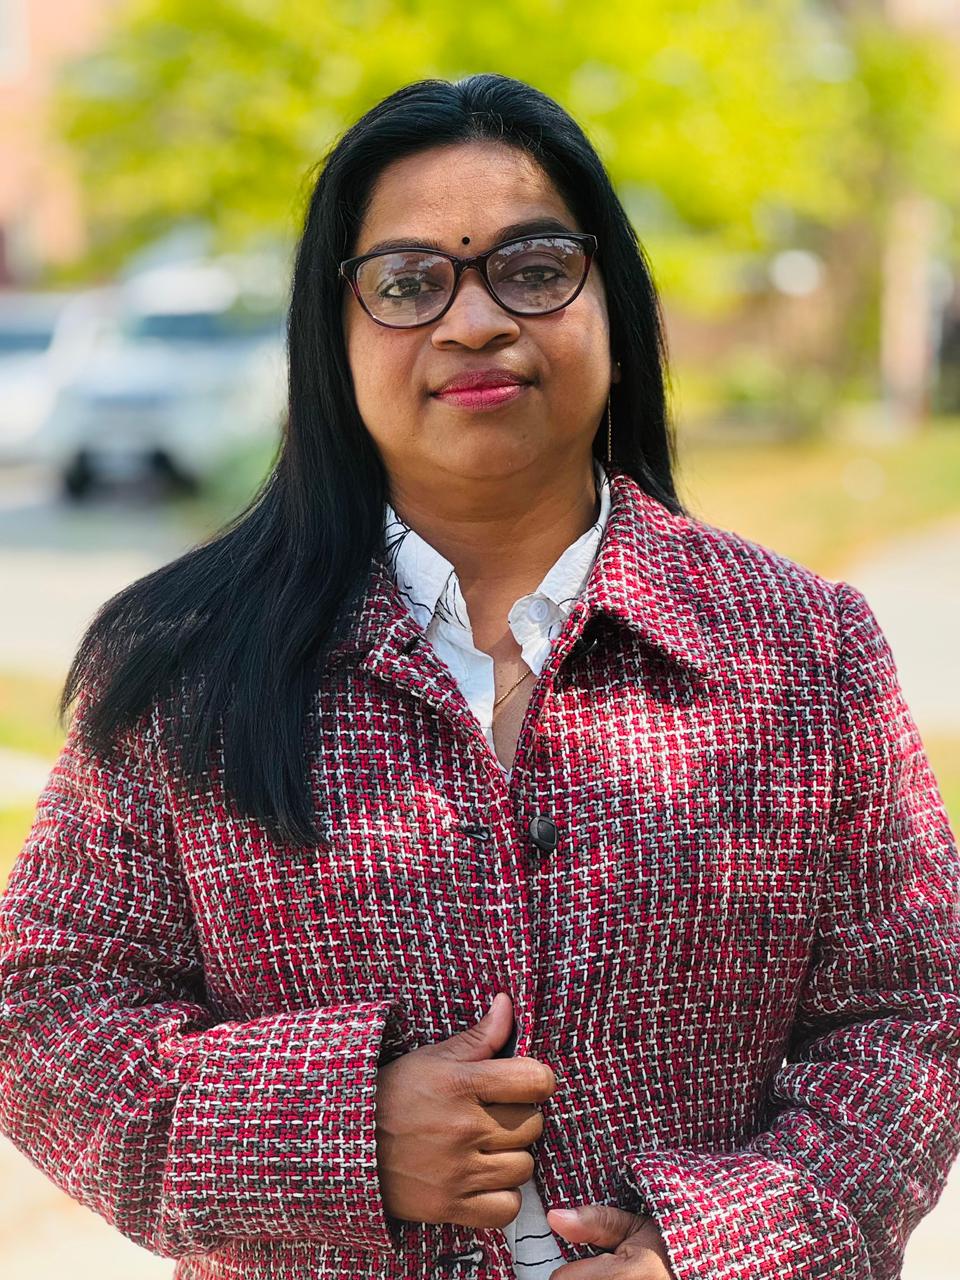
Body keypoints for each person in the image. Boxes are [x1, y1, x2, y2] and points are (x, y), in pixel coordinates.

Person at [1, 72, 958, 1280]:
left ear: (614, 305)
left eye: (533, 267)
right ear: (334, 339)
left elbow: (914, 1016)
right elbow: (49, 1015)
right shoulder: (183, 663)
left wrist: (717, 1248)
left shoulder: (803, 649)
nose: (474, 322)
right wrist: (341, 1132)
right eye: (409, 283)